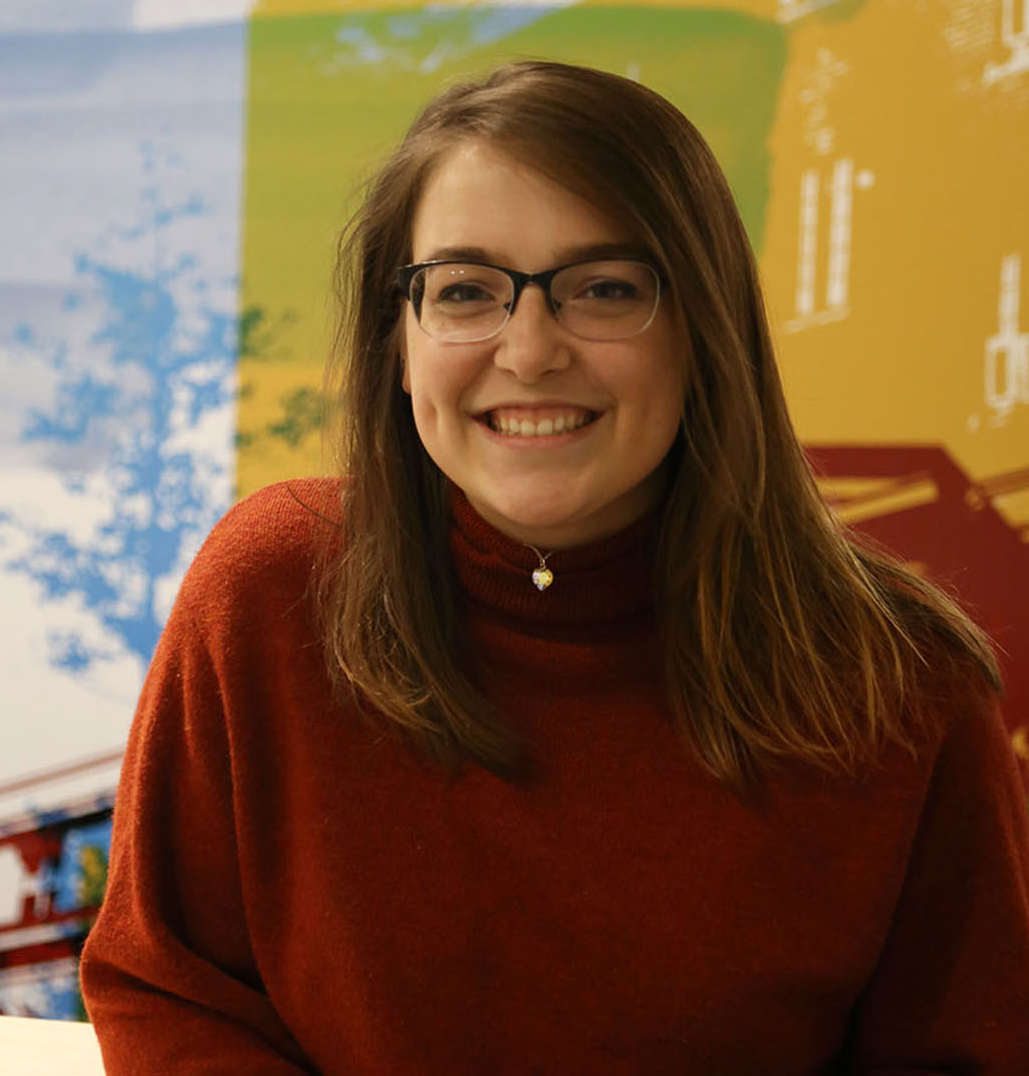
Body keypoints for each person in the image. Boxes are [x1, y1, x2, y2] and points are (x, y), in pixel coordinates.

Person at [79, 60, 1029, 1072]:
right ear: (397, 342)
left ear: (704, 330)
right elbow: (169, 988)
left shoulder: (907, 686)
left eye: (604, 288)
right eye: (466, 290)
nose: (529, 351)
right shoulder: (267, 587)